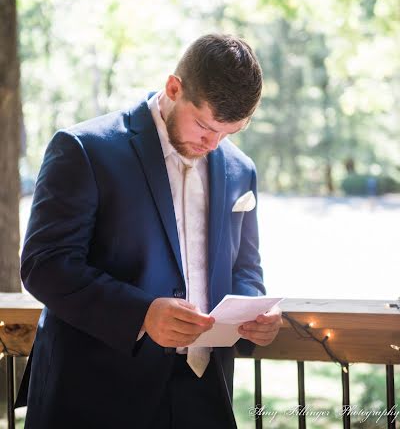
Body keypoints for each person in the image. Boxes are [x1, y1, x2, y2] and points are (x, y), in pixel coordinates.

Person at [16, 34, 282, 429]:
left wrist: (255, 311)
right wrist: (141, 315)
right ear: (174, 87)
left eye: (230, 133)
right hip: (95, 394)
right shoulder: (84, 149)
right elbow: (44, 265)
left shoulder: (240, 169)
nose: (214, 144)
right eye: (206, 127)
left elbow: (245, 267)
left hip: (204, 395)